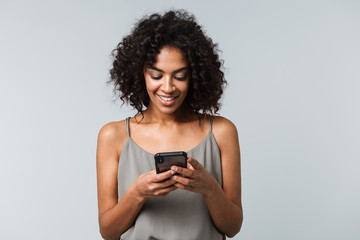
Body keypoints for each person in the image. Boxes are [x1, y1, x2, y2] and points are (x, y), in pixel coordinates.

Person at [96, 10, 243, 240]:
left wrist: (209, 188)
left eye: (180, 76)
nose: (168, 87)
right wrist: (137, 192)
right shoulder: (113, 135)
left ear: (194, 76)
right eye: (156, 75)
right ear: (140, 73)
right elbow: (108, 231)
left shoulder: (222, 132)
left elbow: (233, 227)